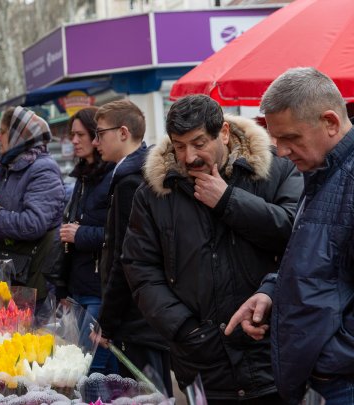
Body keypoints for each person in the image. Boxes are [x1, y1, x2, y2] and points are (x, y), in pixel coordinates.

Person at [122, 95, 302, 403]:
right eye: (179, 146)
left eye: (199, 142)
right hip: (202, 362)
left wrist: (228, 201)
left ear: (225, 134)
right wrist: (184, 329)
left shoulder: (278, 170)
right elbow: (139, 267)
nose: (189, 156)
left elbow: (295, 236)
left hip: (270, 354)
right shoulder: (154, 192)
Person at [226, 68, 354, 404]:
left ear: (330, 122)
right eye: (276, 139)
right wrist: (272, 292)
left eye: (291, 138)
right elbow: (316, 259)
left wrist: (329, 353)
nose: (281, 151)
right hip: (323, 378)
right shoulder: (321, 172)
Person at [89, 100, 171, 392]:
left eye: (100, 133)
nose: (95, 142)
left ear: (123, 132)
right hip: (145, 314)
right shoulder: (136, 172)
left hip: (137, 317)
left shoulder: (129, 180)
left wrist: (107, 323)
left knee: (145, 394)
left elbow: (126, 258)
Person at [0, 107, 66, 303]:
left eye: (3, 131)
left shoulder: (43, 169)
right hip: (8, 272)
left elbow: (34, 223)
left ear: (19, 136)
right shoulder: (7, 167)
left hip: (30, 276)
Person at [55, 107, 117, 375]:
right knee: (87, 363)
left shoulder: (113, 176)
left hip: (99, 287)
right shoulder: (81, 177)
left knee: (92, 367)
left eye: (80, 134)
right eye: (72, 135)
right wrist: (63, 288)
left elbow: (117, 234)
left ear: (96, 136)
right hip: (79, 286)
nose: (75, 140)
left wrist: (80, 234)